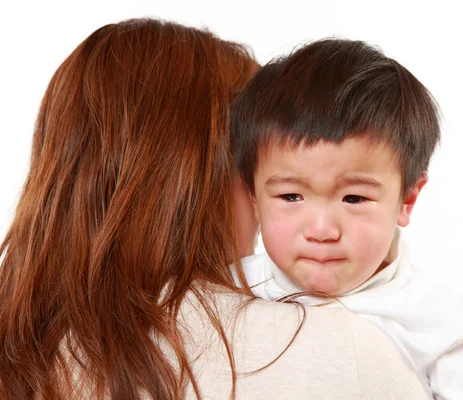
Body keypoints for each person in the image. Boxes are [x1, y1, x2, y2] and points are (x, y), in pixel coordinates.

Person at [0, 19, 431, 399]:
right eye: (283, 184)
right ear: (216, 173)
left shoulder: (21, 350)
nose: (315, 227)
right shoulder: (341, 350)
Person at [231, 39, 463, 399]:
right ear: (255, 200)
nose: (322, 230)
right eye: (291, 196)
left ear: (406, 201)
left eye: (354, 198)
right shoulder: (230, 291)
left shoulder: (441, 324)